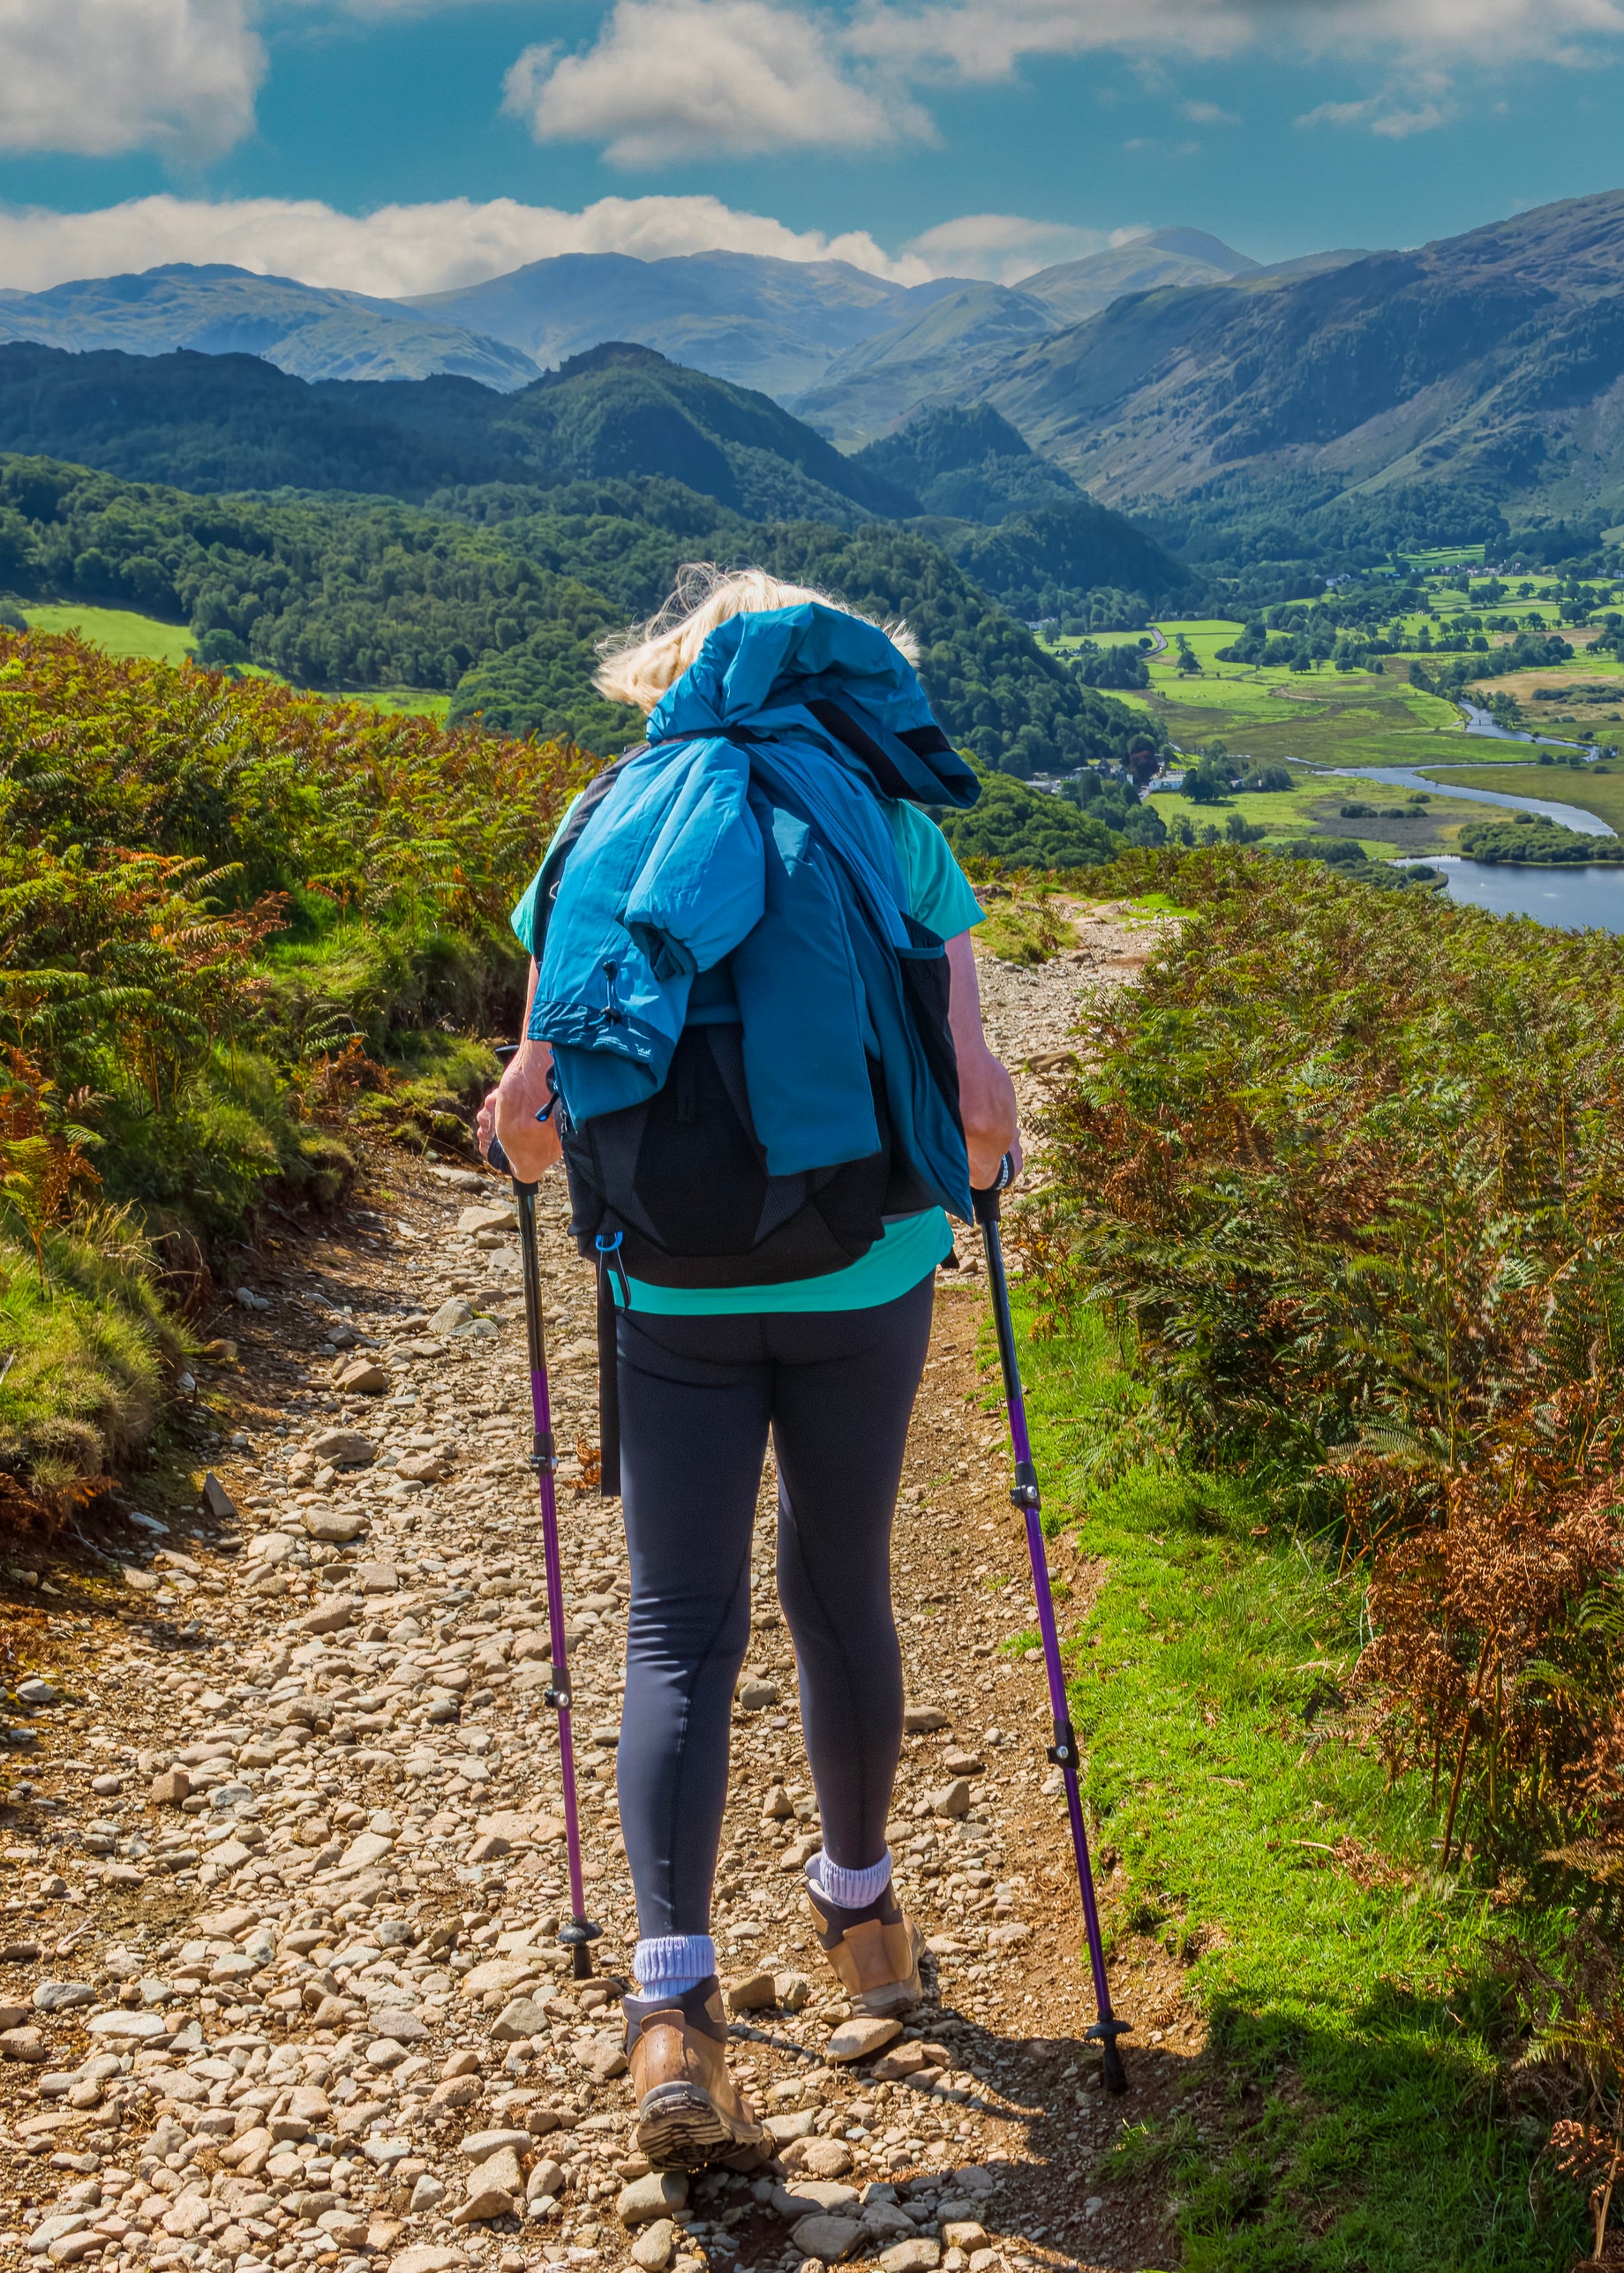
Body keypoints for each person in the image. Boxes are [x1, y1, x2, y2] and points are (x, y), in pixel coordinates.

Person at [475, 565, 1021, 2170]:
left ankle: (672, 2007)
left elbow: (527, 1116)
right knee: (841, 1588)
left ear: (669, 680)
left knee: (674, 1628)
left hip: (669, 1294)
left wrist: (529, 1162)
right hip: (864, 1276)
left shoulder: (593, 832)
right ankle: (860, 1917)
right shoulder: (894, 828)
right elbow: (981, 1108)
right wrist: (974, 1181)